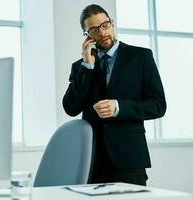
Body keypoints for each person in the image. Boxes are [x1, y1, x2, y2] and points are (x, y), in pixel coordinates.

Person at [62, 4, 166, 186]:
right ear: (87, 36)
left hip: (129, 160)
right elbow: (70, 108)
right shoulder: (81, 66)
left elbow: (158, 105)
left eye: (104, 25)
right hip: (91, 159)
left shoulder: (141, 57)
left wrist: (119, 107)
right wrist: (87, 66)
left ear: (112, 23)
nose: (102, 33)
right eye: (94, 30)